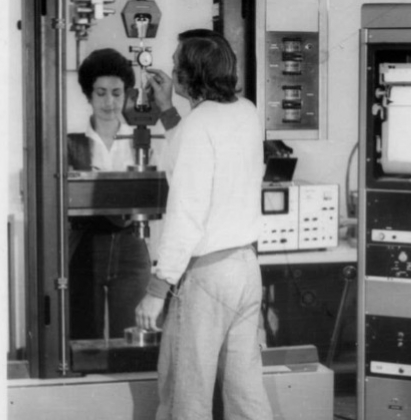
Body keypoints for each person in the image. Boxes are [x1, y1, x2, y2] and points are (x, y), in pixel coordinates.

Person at [135, 29, 273, 420]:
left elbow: (187, 214)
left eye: (178, 62)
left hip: (207, 277)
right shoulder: (245, 111)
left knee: (185, 396)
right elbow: (197, 148)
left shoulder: (199, 126)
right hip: (244, 270)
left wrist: (157, 289)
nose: (173, 68)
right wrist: (167, 108)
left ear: (187, 76)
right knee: (246, 396)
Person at [68, 48, 179, 339]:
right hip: (84, 247)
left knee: (134, 336)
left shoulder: (143, 139)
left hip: (132, 245)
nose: (109, 102)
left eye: (117, 93)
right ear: (88, 95)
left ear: (127, 94)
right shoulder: (71, 142)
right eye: (101, 93)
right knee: (82, 335)